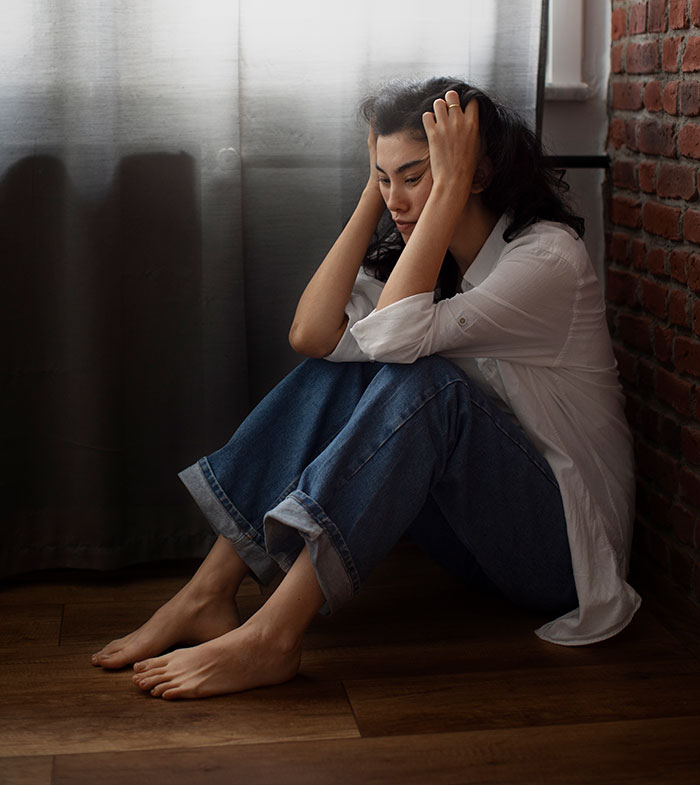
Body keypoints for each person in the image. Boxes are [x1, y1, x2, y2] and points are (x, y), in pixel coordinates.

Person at [91, 77, 640, 700]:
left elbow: (395, 336)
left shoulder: (545, 260)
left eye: (414, 177)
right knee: (347, 366)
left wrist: (447, 188)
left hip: (563, 556)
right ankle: (208, 592)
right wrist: (372, 196)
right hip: (476, 543)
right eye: (384, 179)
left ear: (476, 173)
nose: (397, 201)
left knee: (427, 382)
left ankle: (274, 635)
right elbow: (312, 335)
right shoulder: (430, 261)